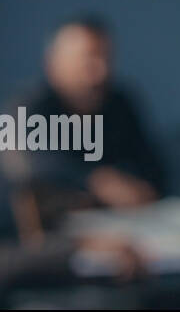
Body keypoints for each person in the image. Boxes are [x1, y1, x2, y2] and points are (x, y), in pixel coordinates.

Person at [3, 16, 168, 232]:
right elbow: (31, 164)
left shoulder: (120, 103)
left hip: (126, 231)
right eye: (87, 59)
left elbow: (155, 168)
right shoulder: (28, 107)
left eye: (106, 58)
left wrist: (143, 189)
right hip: (54, 243)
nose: (100, 71)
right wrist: (98, 182)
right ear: (53, 63)